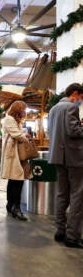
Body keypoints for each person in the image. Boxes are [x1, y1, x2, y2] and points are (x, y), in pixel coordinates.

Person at [48, 83, 83, 249]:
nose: (80, 102)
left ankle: (60, 231)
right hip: (73, 157)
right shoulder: (71, 107)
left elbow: (52, 132)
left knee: (62, 194)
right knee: (78, 194)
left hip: (57, 157)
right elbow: (73, 131)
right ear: (75, 94)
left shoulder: (54, 109)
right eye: (81, 98)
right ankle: (72, 236)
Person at [1, 100, 31, 221]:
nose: (25, 111)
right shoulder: (9, 119)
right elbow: (16, 134)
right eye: (23, 109)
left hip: (16, 152)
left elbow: (17, 133)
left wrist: (23, 134)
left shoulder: (14, 119)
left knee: (14, 180)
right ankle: (16, 208)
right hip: (13, 153)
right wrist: (25, 137)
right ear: (18, 109)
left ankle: (10, 205)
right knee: (18, 179)